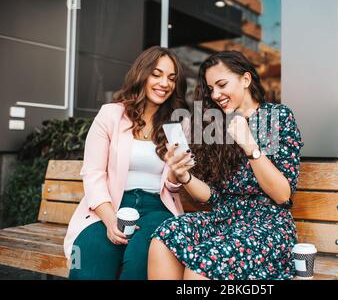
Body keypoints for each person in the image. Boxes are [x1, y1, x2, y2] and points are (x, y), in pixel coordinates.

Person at [148, 50, 304, 280]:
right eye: (211, 89)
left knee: (203, 265)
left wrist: (250, 146)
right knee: (164, 236)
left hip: (268, 226)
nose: (216, 94)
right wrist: (184, 177)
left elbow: (282, 195)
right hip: (225, 219)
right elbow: (213, 197)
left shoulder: (274, 117)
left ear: (246, 79)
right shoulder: (218, 126)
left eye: (221, 84)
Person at [64, 46, 191, 279]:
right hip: (110, 205)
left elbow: (174, 187)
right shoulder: (110, 115)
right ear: (142, 74)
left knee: (138, 266)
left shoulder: (177, 123)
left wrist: (176, 173)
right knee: (89, 264)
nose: (165, 83)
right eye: (157, 74)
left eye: (171, 78)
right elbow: (93, 173)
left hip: (158, 209)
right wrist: (110, 219)